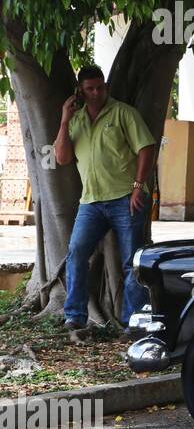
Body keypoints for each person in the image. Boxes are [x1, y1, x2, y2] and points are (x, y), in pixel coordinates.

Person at [53, 65, 157, 328]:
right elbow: (62, 157)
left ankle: (133, 322)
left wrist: (137, 187)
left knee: (131, 261)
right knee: (76, 253)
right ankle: (75, 317)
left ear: (106, 86)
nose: (96, 93)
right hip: (91, 201)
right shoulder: (75, 120)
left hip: (126, 197)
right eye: (90, 89)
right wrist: (65, 120)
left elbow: (146, 148)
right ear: (80, 90)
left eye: (100, 87)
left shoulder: (123, 113)